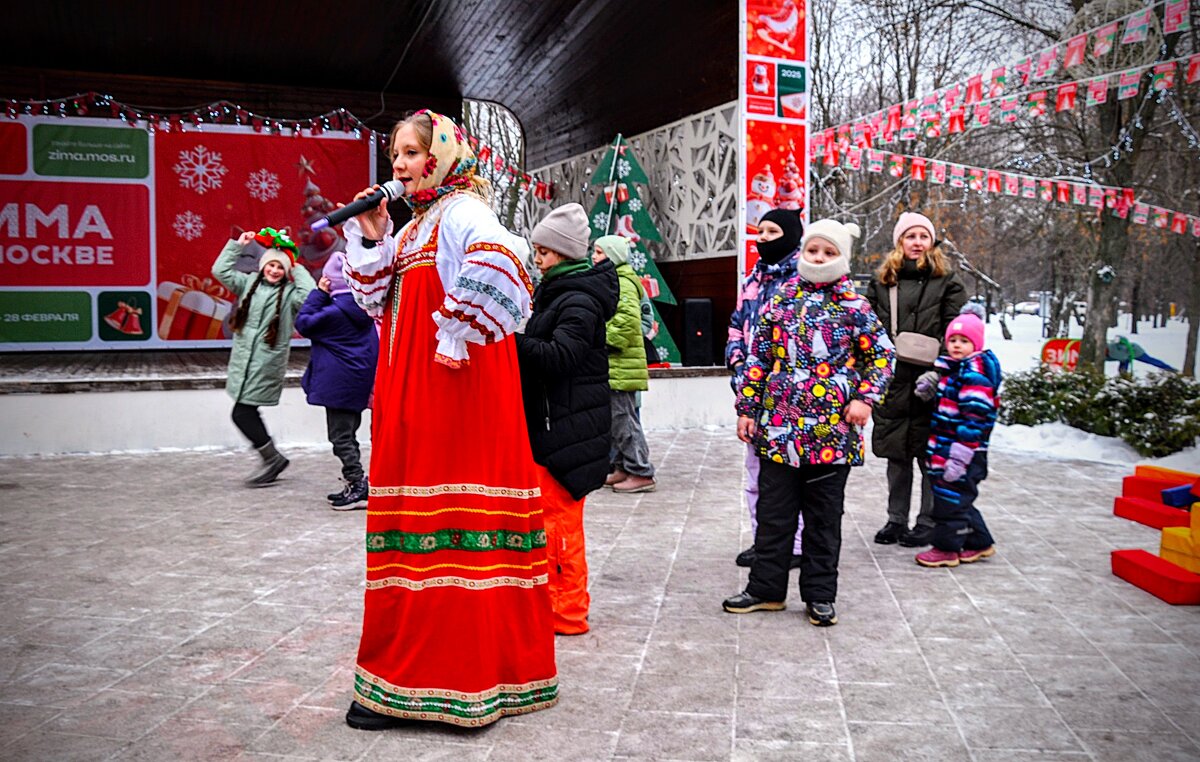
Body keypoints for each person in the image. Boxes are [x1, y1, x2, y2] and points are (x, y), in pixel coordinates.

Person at [340, 110, 557, 728]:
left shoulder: (463, 210)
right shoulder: (415, 226)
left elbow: (504, 264)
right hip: (414, 393)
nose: (401, 166)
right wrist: (374, 232)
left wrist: (457, 329)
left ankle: (448, 678)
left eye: (410, 154)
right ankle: (408, 675)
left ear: (441, 156)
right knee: (413, 527)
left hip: (451, 392)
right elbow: (371, 295)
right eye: (395, 158)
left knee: (449, 528)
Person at [723, 219, 895, 626]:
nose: (818, 258)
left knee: (822, 520)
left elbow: (883, 357)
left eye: (828, 252)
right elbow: (758, 359)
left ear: (841, 259)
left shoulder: (855, 307)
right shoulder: (781, 301)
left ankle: (820, 594)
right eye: (813, 250)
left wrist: (865, 398)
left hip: (831, 434)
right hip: (779, 429)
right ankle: (766, 588)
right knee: (774, 514)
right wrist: (748, 409)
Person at [516, 203, 619, 635]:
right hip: (559, 426)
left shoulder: (577, 299)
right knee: (551, 525)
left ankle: (567, 613)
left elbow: (559, 358)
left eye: (542, 253)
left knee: (559, 530)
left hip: (567, 432)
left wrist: (509, 339)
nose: (537, 261)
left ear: (562, 253)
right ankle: (551, 607)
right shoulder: (561, 293)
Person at [866, 212, 966, 548]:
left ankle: (927, 521)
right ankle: (896, 519)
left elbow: (957, 333)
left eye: (924, 236)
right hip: (892, 379)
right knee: (897, 457)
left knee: (930, 456)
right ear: (899, 242)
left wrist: (941, 373)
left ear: (932, 242)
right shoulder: (882, 282)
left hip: (931, 382)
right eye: (911, 236)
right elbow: (868, 332)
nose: (917, 243)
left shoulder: (948, 282)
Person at [725, 208, 805, 570]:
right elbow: (736, 326)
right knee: (756, 475)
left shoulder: (804, 279)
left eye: (773, 232)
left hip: (791, 397)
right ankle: (765, 540)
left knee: (791, 475)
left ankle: (798, 545)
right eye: (761, 231)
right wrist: (740, 365)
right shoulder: (753, 279)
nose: (763, 238)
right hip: (752, 395)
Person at [212, 227, 315, 486]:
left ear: (286, 271)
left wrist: (296, 267)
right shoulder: (247, 283)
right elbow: (220, 271)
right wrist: (238, 245)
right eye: (271, 265)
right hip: (243, 360)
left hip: (265, 363)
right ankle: (272, 457)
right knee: (245, 411)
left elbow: (310, 295)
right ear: (262, 265)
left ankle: (273, 458)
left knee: (242, 413)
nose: (274, 271)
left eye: (280, 268)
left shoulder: (291, 295)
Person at [913, 306, 1001, 567]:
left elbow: (974, 419)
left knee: (949, 501)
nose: (957, 346)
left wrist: (960, 457)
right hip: (946, 447)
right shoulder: (955, 369)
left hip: (962, 451)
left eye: (964, 341)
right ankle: (979, 543)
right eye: (952, 340)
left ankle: (946, 549)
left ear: (976, 344)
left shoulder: (974, 375)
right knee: (960, 498)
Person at [294, 251, 380, 510]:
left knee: (340, 437)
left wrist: (319, 293)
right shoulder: (363, 310)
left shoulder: (332, 313)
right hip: (356, 381)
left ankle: (357, 485)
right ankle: (355, 483)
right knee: (348, 433)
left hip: (339, 384)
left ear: (331, 282)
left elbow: (303, 323)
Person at [593, 235, 657, 493]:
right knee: (615, 422)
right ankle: (622, 467)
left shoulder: (623, 282)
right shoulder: (613, 280)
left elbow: (628, 324)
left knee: (625, 421)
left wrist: (598, 337)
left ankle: (641, 472)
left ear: (614, 255)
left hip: (621, 363)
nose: (594, 257)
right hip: (616, 365)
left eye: (599, 252)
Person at [1106, 335, 1177, 374]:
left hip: (1135, 351)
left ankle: (1169, 368)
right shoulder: (1106, 353)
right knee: (1123, 369)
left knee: (1150, 360)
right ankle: (1123, 379)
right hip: (1125, 357)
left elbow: (1123, 339)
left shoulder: (1113, 348)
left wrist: (1119, 339)